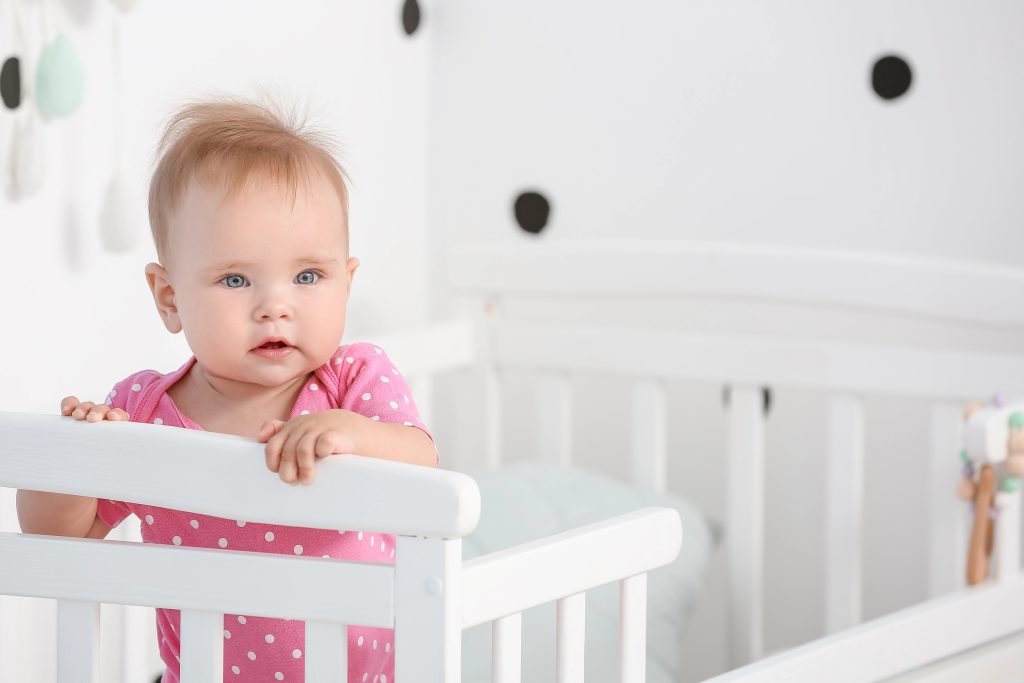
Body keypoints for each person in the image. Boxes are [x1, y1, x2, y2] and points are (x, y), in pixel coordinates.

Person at [16, 96, 437, 683]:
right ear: (170, 298)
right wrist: (75, 461)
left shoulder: (351, 381)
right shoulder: (142, 412)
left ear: (347, 281)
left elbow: (424, 462)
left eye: (308, 276)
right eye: (235, 279)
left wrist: (353, 434)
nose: (275, 306)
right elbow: (57, 534)